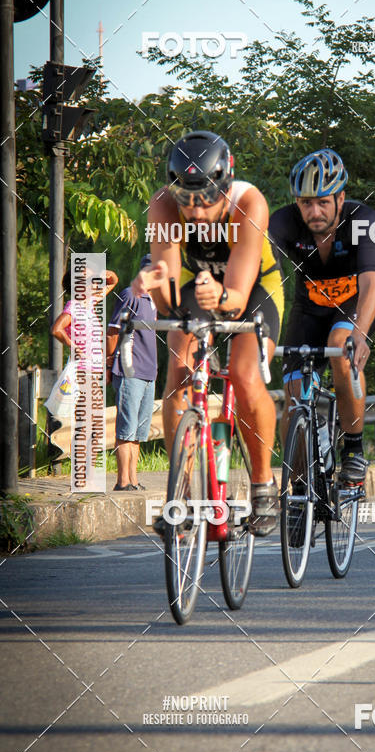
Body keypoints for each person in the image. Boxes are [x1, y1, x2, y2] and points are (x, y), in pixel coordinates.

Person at [131, 130, 284, 535]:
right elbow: (166, 295)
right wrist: (152, 284)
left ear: (226, 186)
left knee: (244, 375)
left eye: (206, 200)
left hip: (251, 290)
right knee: (178, 370)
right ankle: (179, 495)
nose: (196, 212)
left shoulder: (248, 203)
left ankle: (263, 485)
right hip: (197, 285)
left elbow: (235, 295)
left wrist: (222, 296)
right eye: (187, 199)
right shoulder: (164, 204)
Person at [269, 148, 375, 484]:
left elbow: (371, 286)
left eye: (323, 202)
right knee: (293, 392)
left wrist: (360, 335)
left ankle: (354, 448)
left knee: (341, 348)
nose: (314, 211)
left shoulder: (364, 220)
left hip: (354, 307)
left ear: (340, 198)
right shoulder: (283, 222)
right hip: (309, 310)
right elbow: (258, 273)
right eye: (306, 203)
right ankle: (299, 487)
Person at [106, 255, 158, 491]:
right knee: (126, 428)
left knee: (138, 431)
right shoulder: (130, 295)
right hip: (129, 370)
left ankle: (133, 480)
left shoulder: (153, 300)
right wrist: (109, 364)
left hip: (149, 373)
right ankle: (122, 481)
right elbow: (113, 331)